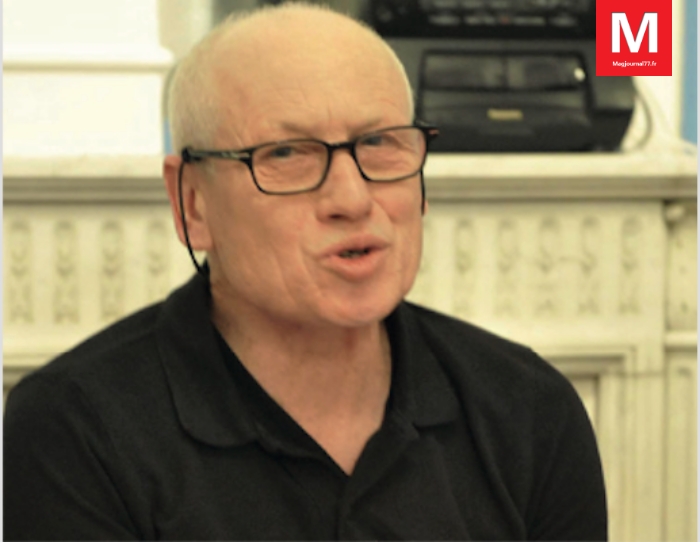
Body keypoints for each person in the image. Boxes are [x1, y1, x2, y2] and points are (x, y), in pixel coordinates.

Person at [4, 3, 607, 540]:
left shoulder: (529, 410)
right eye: (286, 154)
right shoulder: (73, 431)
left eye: (380, 144)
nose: (352, 199)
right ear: (192, 203)